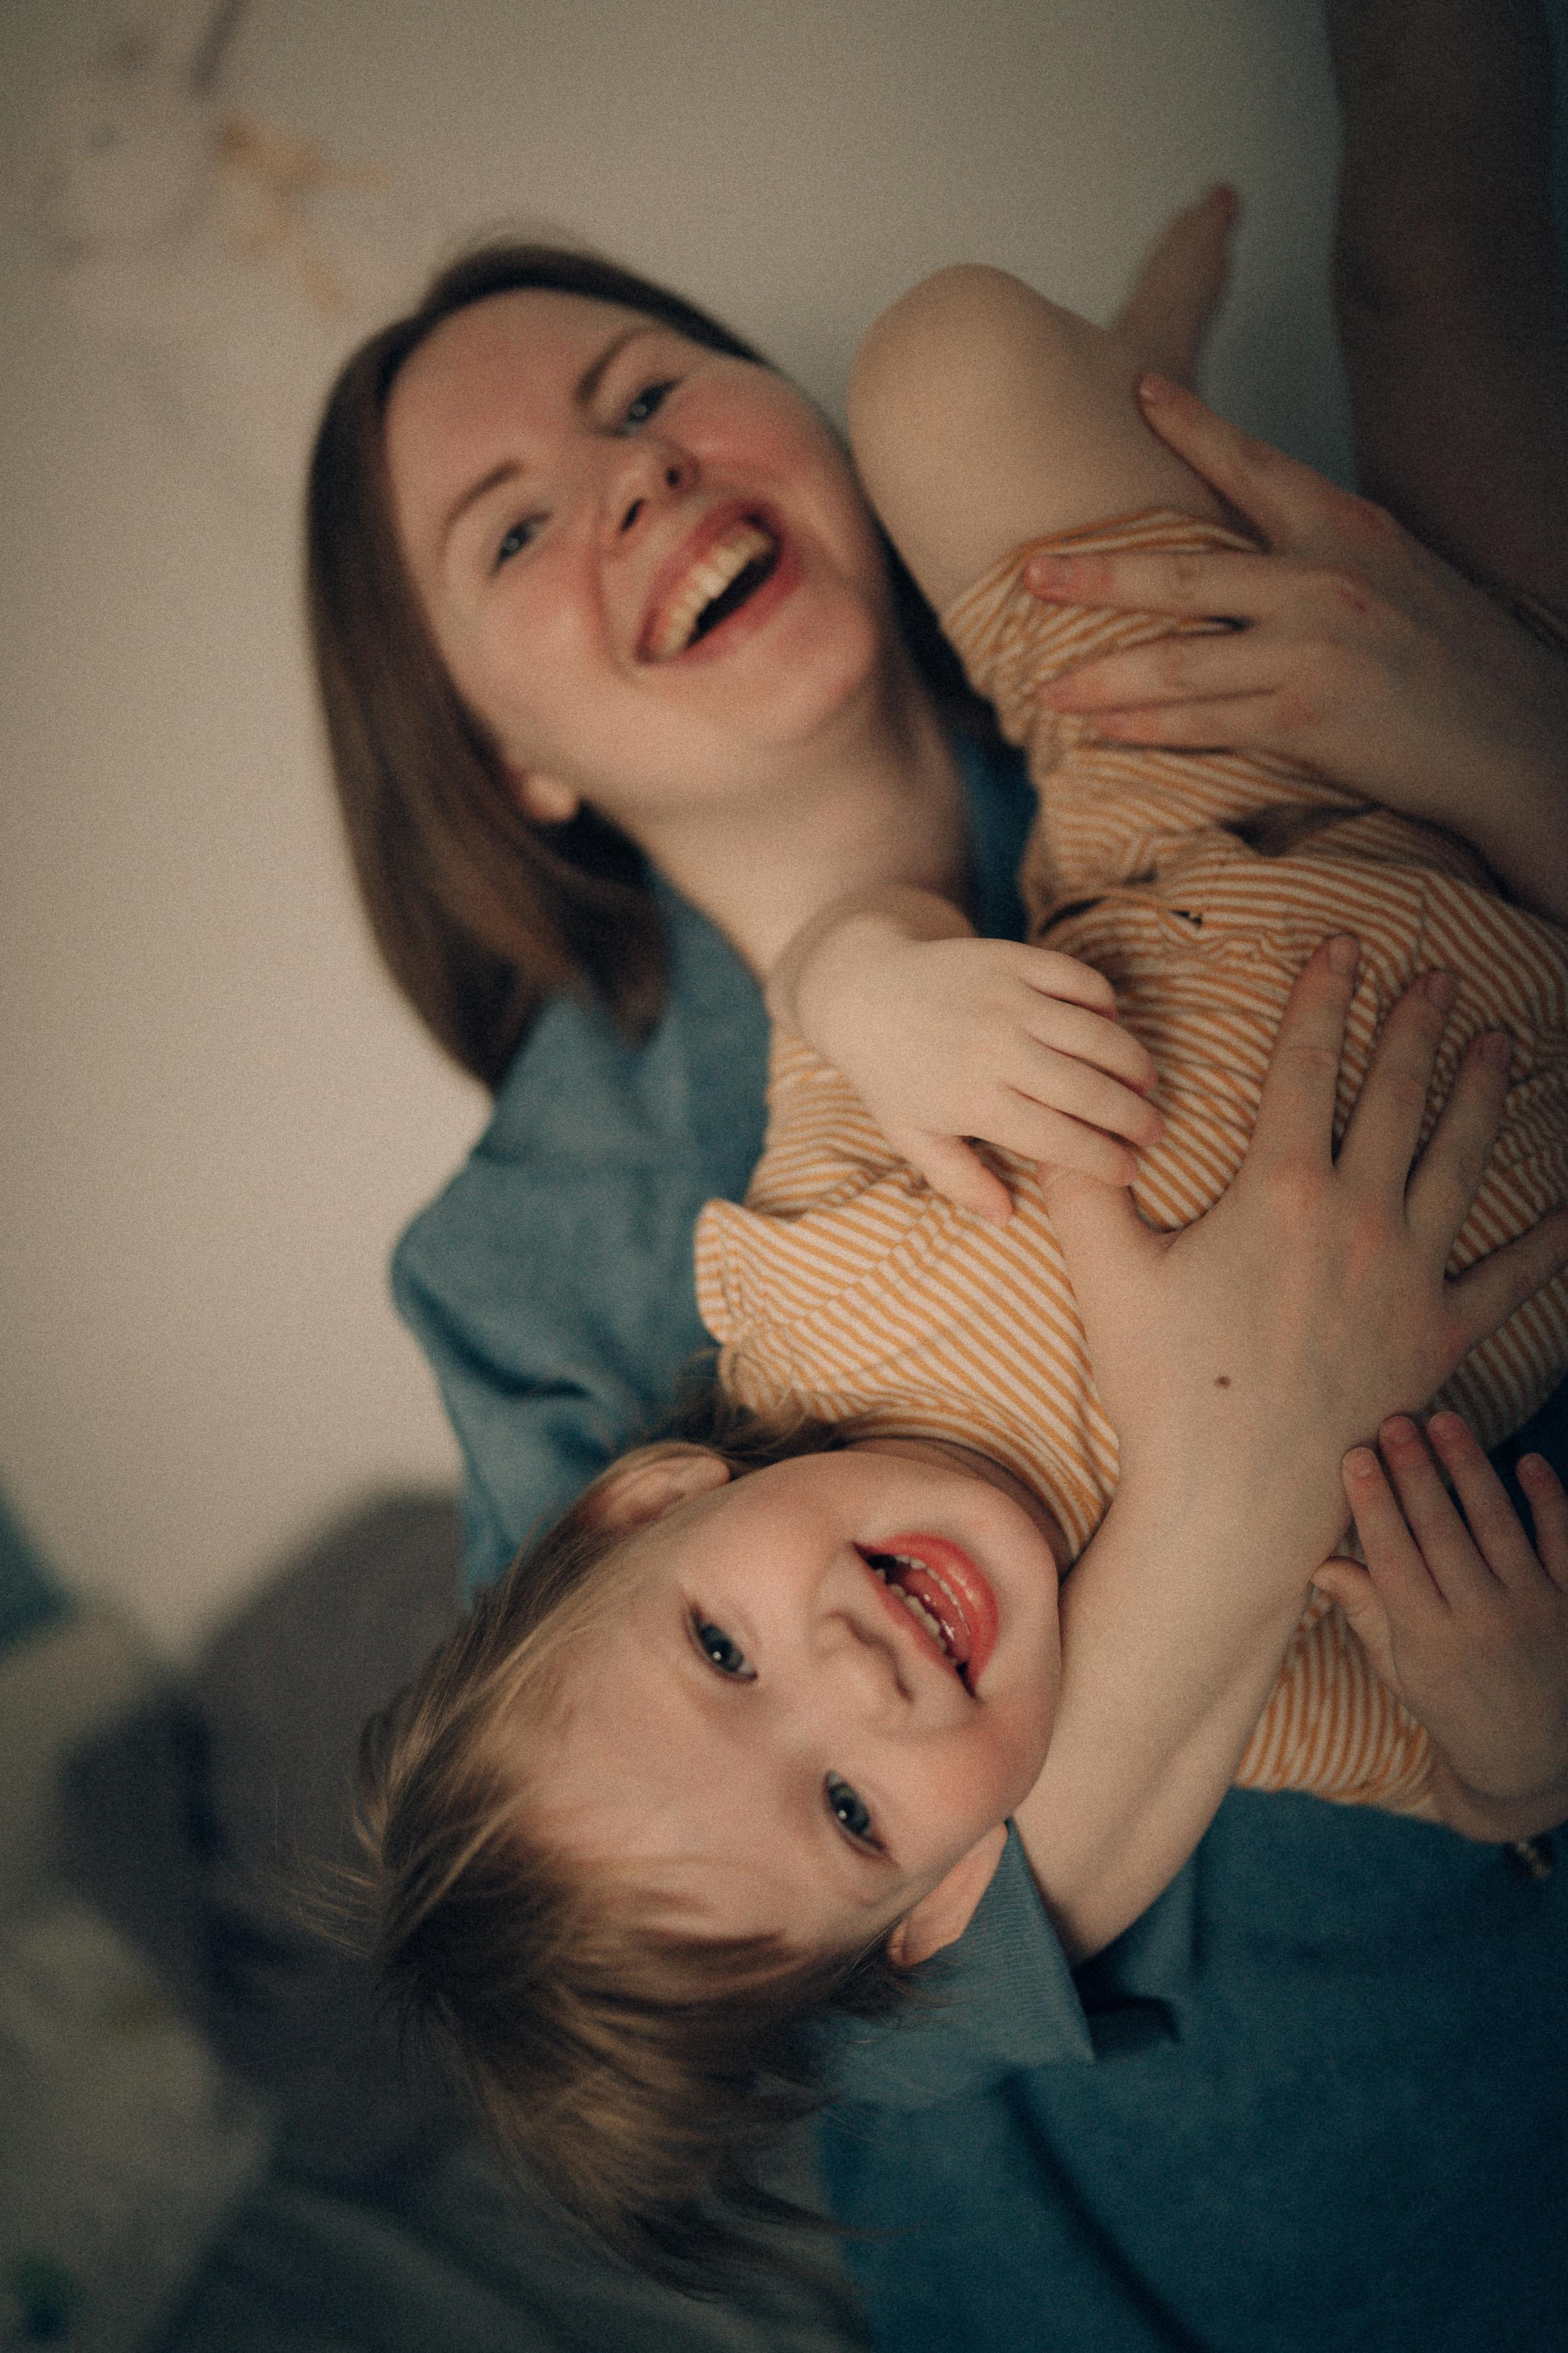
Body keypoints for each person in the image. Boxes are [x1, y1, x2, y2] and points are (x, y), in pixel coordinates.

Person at [304, 0, 1568, 2333]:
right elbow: (776, 2011)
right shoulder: (535, 1265)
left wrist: (1512, 737)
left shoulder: (1172, 654)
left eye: (648, 396)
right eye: (515, 530)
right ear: (502, 763)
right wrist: (1236, 1483)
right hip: (1312, 2217)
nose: (635, 489)